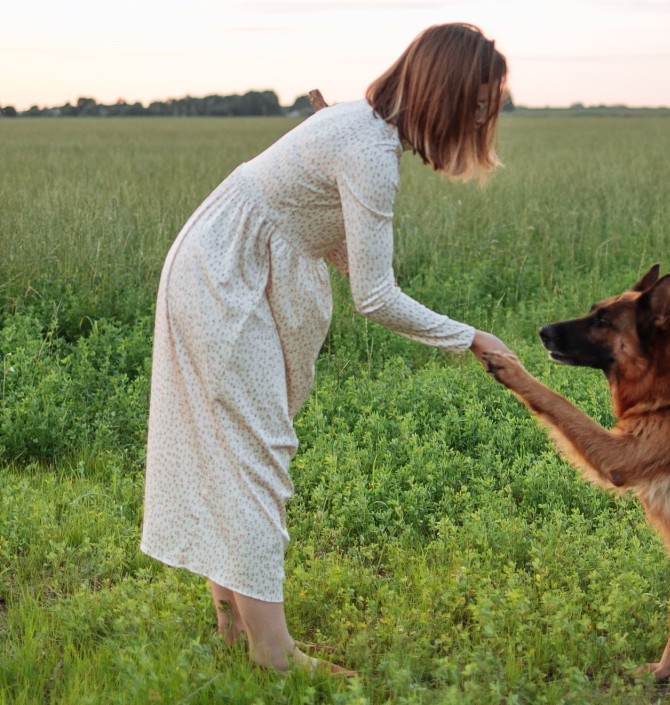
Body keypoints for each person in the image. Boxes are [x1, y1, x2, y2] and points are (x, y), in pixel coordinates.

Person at [140, 23, 512, 675]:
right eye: (479, 104)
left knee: (241, 450)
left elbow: (323, 236)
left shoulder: (361, 128)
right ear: (445, 92)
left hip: (228, 263)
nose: (483, 118)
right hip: (222, 273)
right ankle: (273, 653)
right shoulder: (368, 150)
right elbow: (375, 297)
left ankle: (234, 630)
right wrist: (471, 337)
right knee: (258, 455)